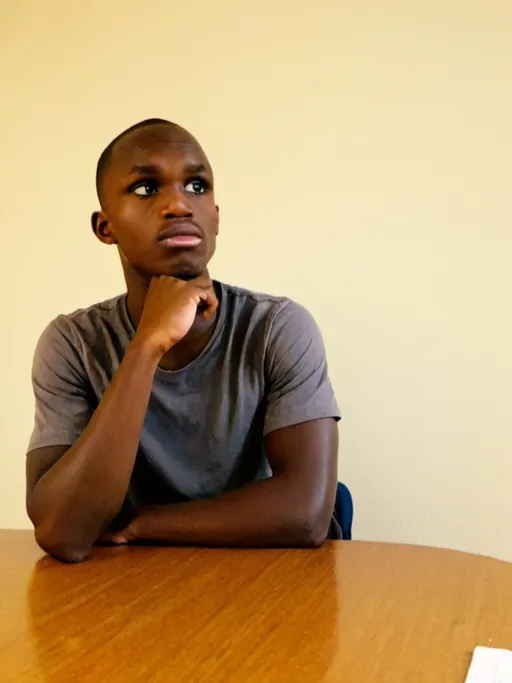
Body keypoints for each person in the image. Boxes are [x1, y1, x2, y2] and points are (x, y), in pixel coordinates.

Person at [26, 118, 341, 563]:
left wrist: (138, 523)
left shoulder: (277, 327)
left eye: (197, 186)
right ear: (105, 226)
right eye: (145, 188)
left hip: (265, 577)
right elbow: (63, 532)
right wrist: (148, 344)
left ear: (216, 215)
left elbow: (306, 514)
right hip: (133, 589)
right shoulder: (72, 344)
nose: (178, 204)